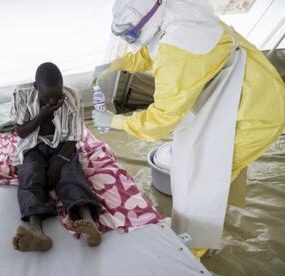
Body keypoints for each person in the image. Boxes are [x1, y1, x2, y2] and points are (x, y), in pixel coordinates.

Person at [92, 0, 285, 249]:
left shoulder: (179, 51)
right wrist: (115, 64)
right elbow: (150, 50)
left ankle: (192, 249)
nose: (131, 39)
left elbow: (160, 122)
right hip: (253, 88)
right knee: (208, 171)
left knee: (204, 180)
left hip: (255, 115)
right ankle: (207, 225)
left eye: (130, 34)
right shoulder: (174, 13)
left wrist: (115, 121)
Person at [12, 62, 102, 252]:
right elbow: (21, 132)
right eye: (47, 97)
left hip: (63, 146)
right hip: (33, 145)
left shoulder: (72, 97)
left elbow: (74, 136)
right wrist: (42, 115)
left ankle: (88, 222)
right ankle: (36, 232)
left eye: (57, 95)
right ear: (36, 88)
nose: (54, 101)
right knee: (30, 173)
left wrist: (57, 163)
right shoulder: (22, 95)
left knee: (72, 175)